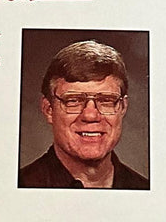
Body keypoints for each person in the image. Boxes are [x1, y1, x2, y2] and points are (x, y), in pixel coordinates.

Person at [18, 40, 149, 190]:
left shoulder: (145, 190)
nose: (90, 115)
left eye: (106, 100)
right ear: (48, 109)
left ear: (123, 107)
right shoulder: (20, 187)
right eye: (73, 100)